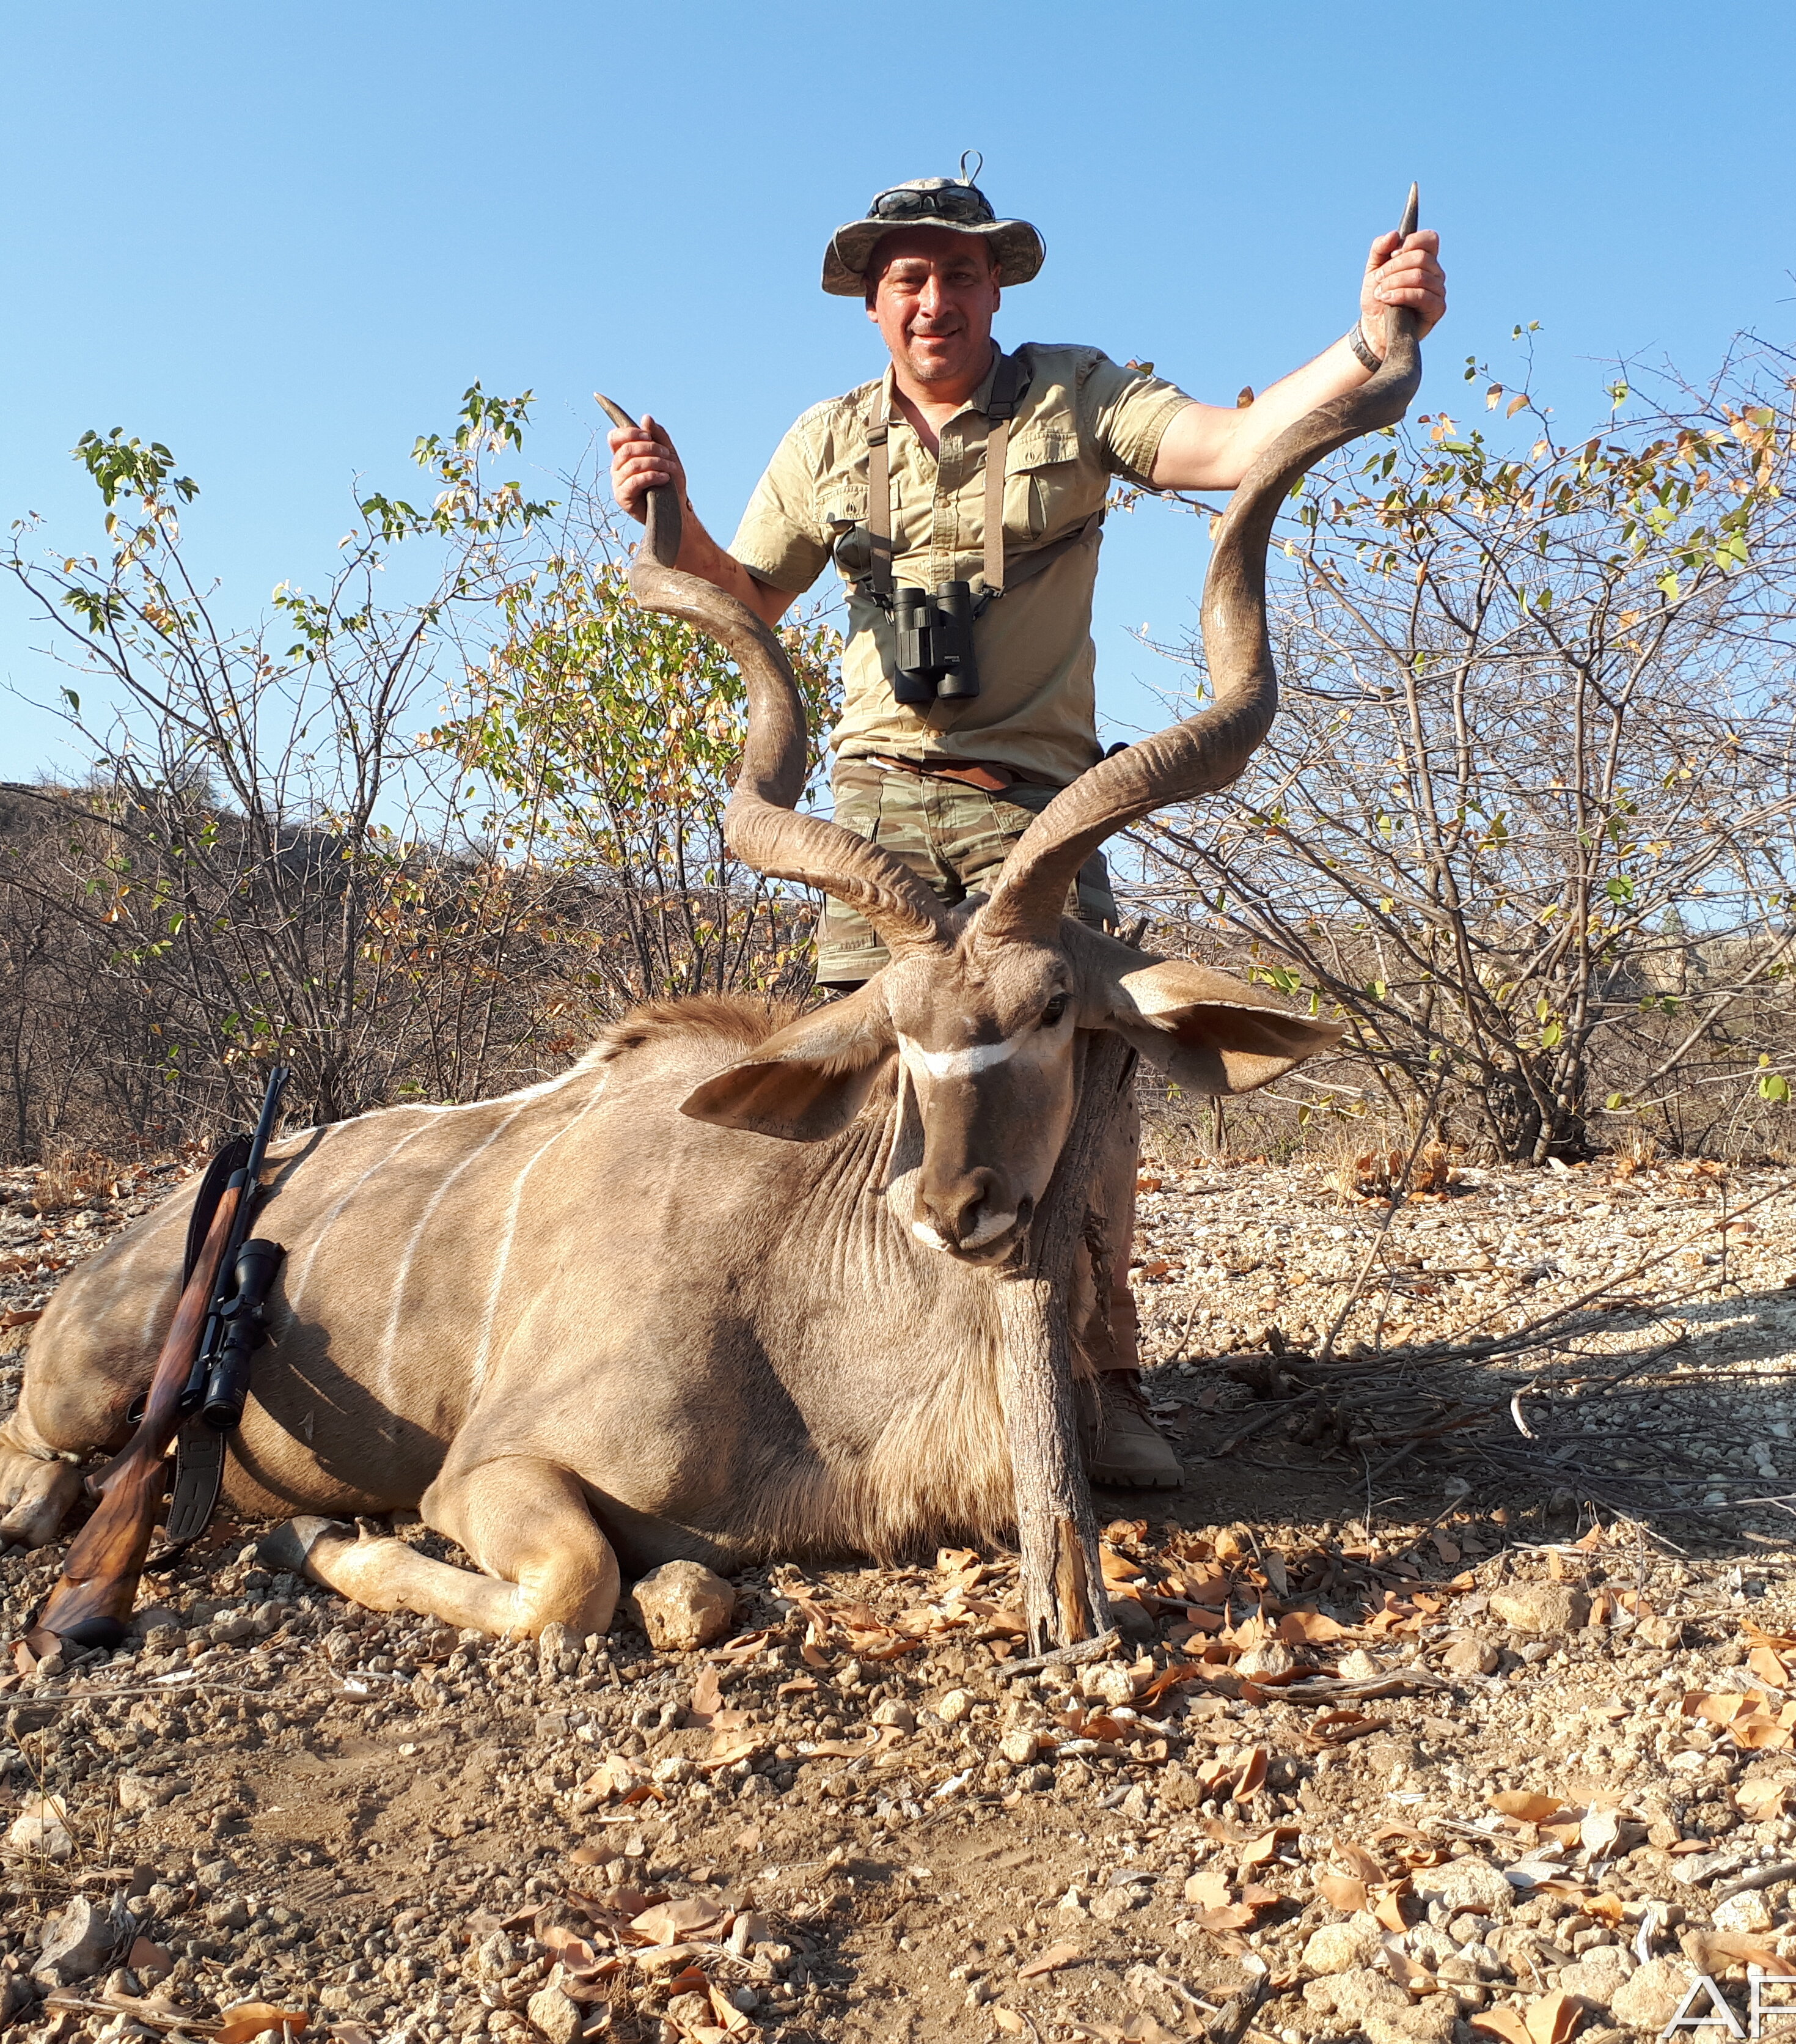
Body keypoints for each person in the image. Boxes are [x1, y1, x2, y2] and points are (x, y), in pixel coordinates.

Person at [607, 166, 1445, 1488]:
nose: (934, 299)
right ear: (875, 304)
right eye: (908, 279)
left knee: (1085, 1079)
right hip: (876, 825)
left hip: (1038, 818)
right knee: (881, 1091)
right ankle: (891, 1381)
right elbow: (751, 599)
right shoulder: (824, 441)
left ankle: (1100, 1379)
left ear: (997, 286)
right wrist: (671, 511)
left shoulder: (1077, 391)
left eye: (960, 273)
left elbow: (1232, 448)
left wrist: (1367, 336)